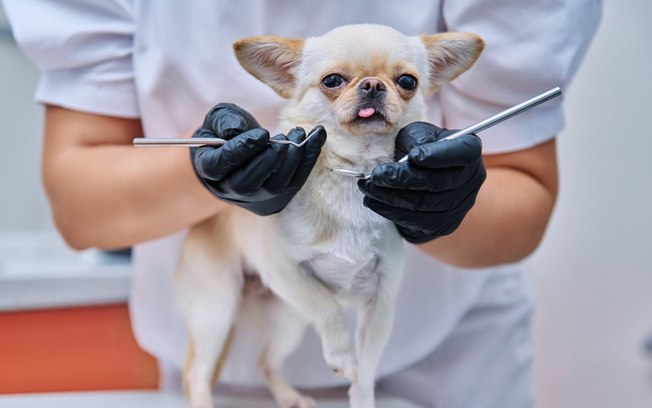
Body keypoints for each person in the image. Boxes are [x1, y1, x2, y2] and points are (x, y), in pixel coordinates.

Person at [2, 1, 601, 407]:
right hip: (220, 365)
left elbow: (524, 187)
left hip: (442, 366)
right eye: (338, 81)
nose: (372, 93)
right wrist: (207, 174)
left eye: (403, 83)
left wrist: (449, 204)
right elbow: (81, 205)